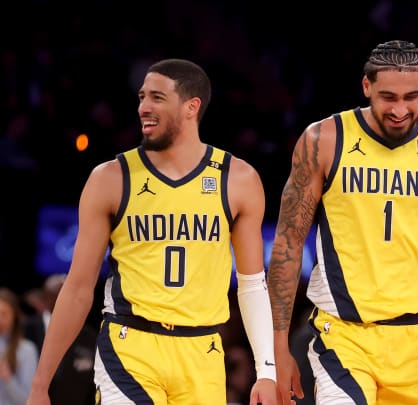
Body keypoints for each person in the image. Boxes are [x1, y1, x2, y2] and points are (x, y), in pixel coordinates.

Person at [26, 58, 277, 405]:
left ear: (192, 107)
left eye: (157, 97)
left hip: (202, 351)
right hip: (130, 346)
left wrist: (266, 370)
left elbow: (251, 284)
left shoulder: (238, 179)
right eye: (142, 97)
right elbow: (79, 288)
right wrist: (40, 384)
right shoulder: (110, 178)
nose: (143, 106)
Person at [268, 40, 418, 405]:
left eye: (411, 97)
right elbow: (287, 245)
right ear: (366, 87)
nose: (400, 109)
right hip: (345, 336)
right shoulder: (324, 140)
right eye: (388, 97)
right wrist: (275, 353)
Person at [23, 274, 96, 404]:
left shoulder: (90, 336)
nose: (62, 299)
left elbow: (92, 382)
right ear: (45, 298)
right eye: (57, 294)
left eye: (65, 293)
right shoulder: (26, 330)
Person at [0, 287, 37, 405]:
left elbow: (26, 400)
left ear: (14, 316)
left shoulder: (26, 350)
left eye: (3, 313)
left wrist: (7, 377)